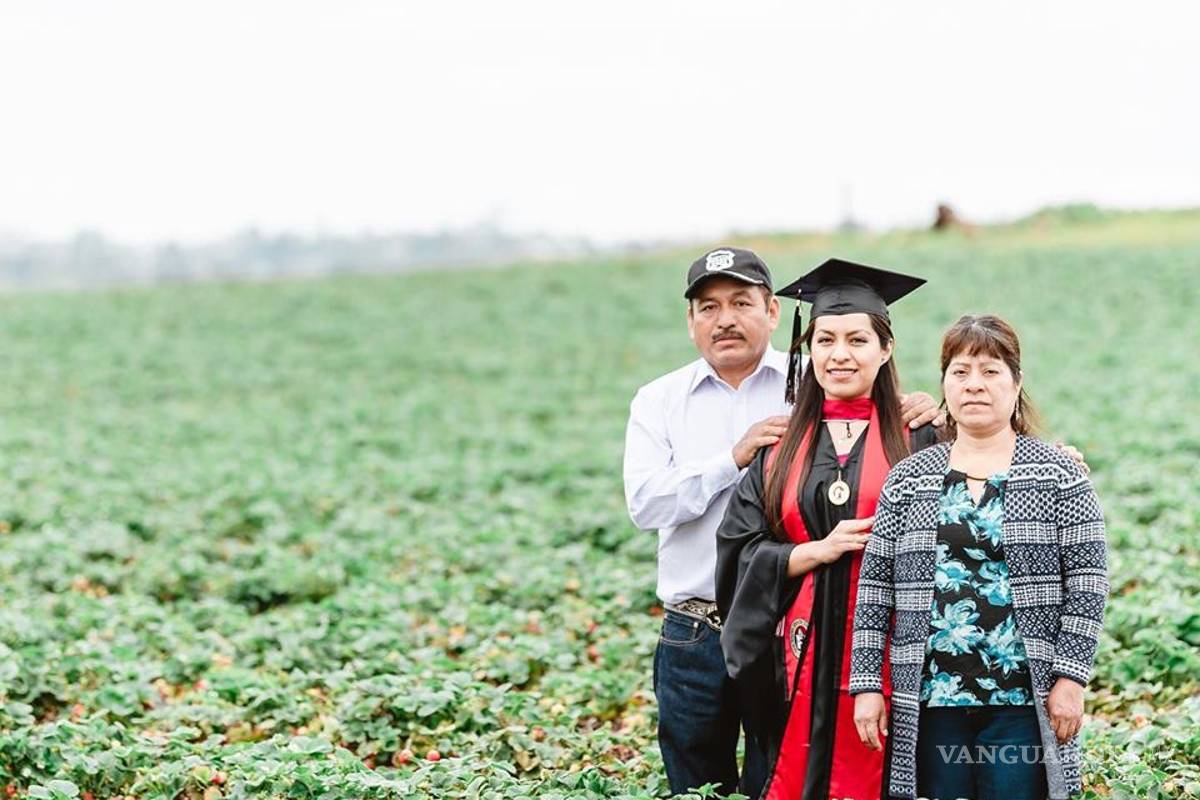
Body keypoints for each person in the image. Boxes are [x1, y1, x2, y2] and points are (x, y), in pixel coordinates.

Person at [624, 248, 941, 797]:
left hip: (820, 639)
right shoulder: (661, 400)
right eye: (708, 307)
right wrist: (734, 460)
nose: (725, 319)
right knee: (705, 778)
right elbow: (647, 506)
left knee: (787, 769)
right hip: (703, 629)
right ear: (691, 319)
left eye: (741, 303)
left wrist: (925, 411)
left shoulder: (812, 387)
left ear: (773, 312)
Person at [714, 257, 946, 800]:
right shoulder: (778, 448)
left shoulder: (921, 438)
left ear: (885, 349)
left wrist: (1057, 460)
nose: (840, 354)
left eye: (857, 340)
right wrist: (811, 552)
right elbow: (739, 547)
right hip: (795, 660)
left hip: (895, 658)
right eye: (825, 340)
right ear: (809, 349)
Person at [850, 314, 1108, 800]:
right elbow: (875, 588)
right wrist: (866, 684)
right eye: (960, 371)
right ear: (945, 383)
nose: (974, 385)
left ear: (1016, 383)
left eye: (990, 371)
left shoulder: (1058, 474)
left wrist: (1070, 678)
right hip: (932, 699)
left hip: (1022, 701)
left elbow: (1088, 583)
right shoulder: (909, 477)